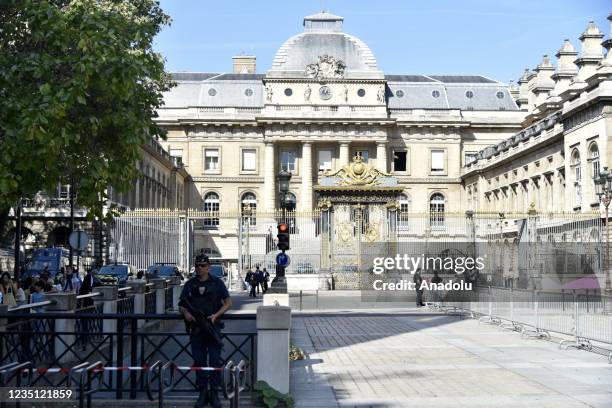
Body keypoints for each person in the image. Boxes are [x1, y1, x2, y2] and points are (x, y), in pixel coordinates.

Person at [179, 254, 231, 408]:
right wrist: (186, 314)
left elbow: (228, 303)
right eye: (197, 266)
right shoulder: (190, 284)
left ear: (209, 267)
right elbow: (181, 304)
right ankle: (202, 392)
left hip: (212, 328)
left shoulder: (217, 283)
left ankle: (214, 393)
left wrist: (217, 315)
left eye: (203, 266)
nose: (200, 268)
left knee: (215, 361)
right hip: (196, 330)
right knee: (199, 362)